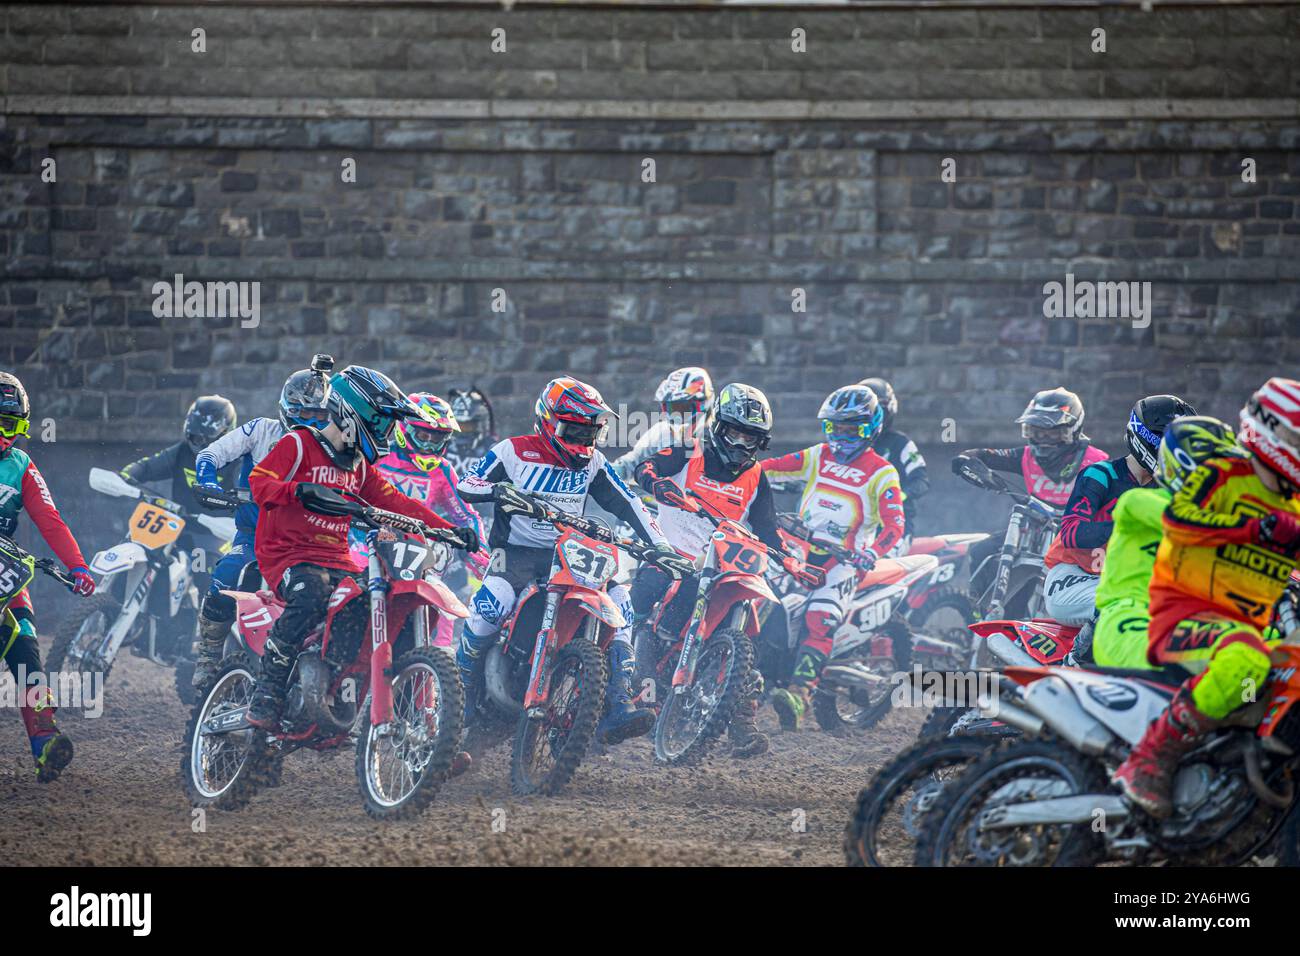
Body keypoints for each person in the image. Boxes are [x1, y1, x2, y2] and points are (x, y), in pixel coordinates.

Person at [457, 376, 686, 747]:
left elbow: (629, 502)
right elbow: (467, 485)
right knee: (494, 600)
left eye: (590, 432)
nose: (582, 440)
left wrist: (660, 547)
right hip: (515, 552)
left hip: (569, 550)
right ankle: (462, 689)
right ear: (548, 420)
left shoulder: (593, 462)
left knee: (622, 601)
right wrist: (501, 491)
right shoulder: (512, 451)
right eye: (574, 430)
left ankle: (616, 701)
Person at [245, 366, 477, 728]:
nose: (386, 433)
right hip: (288, 554)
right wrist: (298, 490)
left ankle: (338, 684)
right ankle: (267, 692)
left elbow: (397, 502)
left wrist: (450, 529)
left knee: (367, 603)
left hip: (336, 557)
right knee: (310, 595)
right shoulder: (298, 444)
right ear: (355, 412)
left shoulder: (359, 466)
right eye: (382, 423)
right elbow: (259, 484)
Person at [1112, 378, 1300, 818]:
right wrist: (1254, 529)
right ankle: (1149, 759)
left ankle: (1239, 792)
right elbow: (1179, 520)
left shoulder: (1292, 501)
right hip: (1180, 615)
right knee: (1247, 661)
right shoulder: (1211, 480)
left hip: (1239, 621)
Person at [633, 381, 782, 757]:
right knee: (647, 595)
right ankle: (636, 675)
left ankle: (743, 723)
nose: (740, 444)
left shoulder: (756, 476)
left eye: (750, 439)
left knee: (753, 624)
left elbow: (768, 529)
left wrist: (789, 557)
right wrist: (658, 483)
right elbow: (646, 467)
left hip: (724, 563)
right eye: (734, 432)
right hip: (670, 551)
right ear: (718, 425)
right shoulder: (688, 447)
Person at [761, 383, 906, 731]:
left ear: (870, 427)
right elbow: (766, 469)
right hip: (797, 550)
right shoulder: (817, 455)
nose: (840, 435)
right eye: (833, 427)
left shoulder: (882, 471)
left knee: (819, 619)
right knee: (761, 599)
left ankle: (799, 696)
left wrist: (870, 552)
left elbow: (894, 526)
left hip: (844, 563)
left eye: (849, 428)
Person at [189, 358, 333, 688]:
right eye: (302, 412)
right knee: (229, 573)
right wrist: (209, 482)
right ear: (285, 407)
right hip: (255, 533)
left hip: (308, 538)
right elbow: (211, 454)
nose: (310, 421)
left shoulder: (334, 446)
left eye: (318, 415)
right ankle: (210, 652)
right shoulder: (260, 430)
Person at [0, 372, 96, 781]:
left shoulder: (20, 465)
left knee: (24, 641)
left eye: (7, 425)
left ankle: (45, 739)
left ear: (20, 427)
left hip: (4, 566)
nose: (1, 435)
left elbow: (50, 520)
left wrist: (77, 566)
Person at [1092, 417, 1242, 670]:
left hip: (1182, 623)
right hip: (1129, 621)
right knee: (1234, 657)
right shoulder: (1136, 502)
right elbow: (1185, 523)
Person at [1042, 395, 1195, 629]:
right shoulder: (1101, 474)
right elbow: (1072, 533)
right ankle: (1075, 658)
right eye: (1170, 442)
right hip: (1071, 577)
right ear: (1147, 437)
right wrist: (1128, 525)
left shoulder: (1169, 489)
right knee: (1132, 600)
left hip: (1123, 579)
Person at [956, 387, 1108, 596]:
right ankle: (977, 612)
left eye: (1052, 433)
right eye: (1036, 432)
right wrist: (965, 461)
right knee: (981, 551)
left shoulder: (1097, 462)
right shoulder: (1026, 455)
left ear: (1072, 429)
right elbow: (984, 455)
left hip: (1076, 537)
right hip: (1032, 532)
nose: (1043, 440)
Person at [369, 391, 489, 647]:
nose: (429, 444)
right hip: (369, 538)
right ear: (405, 429)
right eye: (423, 435)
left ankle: (440, 652)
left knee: (442, 588)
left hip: (419, 544)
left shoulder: (442, 469)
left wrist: (480, 550)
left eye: (437, 438)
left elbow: (465, 514)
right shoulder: (377, 456)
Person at [121, 395, 239, 504]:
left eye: (206, 439)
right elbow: (145, 468)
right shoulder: (182, 451)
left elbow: (250, 500)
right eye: (195, 437)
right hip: (180, 525)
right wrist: (123, 477)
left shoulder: (240, 461)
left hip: (222, 526)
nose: (199, 444)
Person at [858, 378, 929, 546]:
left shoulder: (901, 444)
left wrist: (898, 496)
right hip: (855, 525)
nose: (871, 415)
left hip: (894, 527)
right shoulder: (847, 445)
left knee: (875, 567)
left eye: (877, 409)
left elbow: (921, 481)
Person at [613, 367, 715, 483]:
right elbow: (631, 464)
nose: (677, 416)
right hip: (662, 498)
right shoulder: (662, 432)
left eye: (683, 408)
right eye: (672, 409)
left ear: (703, 404)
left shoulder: (719, 439)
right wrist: (608, 471)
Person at [444, 385, 498, 477]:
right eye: (460, 425)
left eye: (468, 425)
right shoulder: (443, 446)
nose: (463, 430)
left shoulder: (490, 448)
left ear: (477, 425)